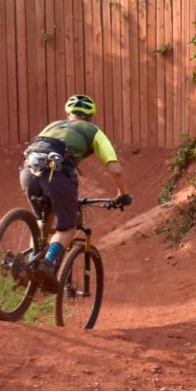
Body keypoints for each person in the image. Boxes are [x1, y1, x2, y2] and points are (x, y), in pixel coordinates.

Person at [20, 94, 131, 290]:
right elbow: (115, 169)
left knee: (42, 221)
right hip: (58, 174)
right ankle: (47, 263)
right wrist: (122, 194)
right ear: (91, 116)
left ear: (68, 114)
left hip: (28, 171)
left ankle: (30, 262)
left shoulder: (52, 125)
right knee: (67, 227)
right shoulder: (93, 131)